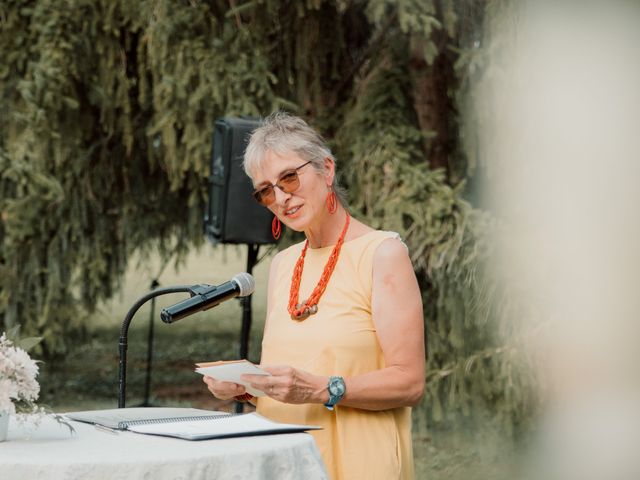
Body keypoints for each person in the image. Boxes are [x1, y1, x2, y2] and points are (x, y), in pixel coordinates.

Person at [203, 112, 425, 480]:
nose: (281, 196)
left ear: (326, 169)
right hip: (286, 464)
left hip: (359, 463)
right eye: (266, 191)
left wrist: (323, 388)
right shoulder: (283, 265)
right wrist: (247, 387)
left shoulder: (382, 253)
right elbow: (291, 387)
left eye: (289, 177)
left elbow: (409, 382)